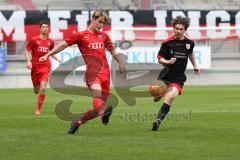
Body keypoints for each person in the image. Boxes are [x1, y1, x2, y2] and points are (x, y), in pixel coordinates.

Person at [39, 11, 126, 134]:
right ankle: (103, 114)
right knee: (97, 96)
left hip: (105, 74)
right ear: (93, 19)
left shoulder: (104, 36)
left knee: (97, 108)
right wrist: (47, 54)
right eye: (100, 22)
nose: (101, 25)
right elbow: (63, 45)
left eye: (103, 23)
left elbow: (113, 51)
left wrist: (121, 63)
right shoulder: (80, 35)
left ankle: (78, 121)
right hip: (92, 73)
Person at [151, 16, 200, 131]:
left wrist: (195, 66)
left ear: (185, 30)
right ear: (173, 28)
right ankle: (159, 94)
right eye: (176, 28)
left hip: (178, 78)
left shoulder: (189, 43)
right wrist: (167, 61)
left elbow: (190, 53)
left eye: (181, 29)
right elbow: (159, 59)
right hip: (165, 76)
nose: (178, 31)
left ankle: (158, 121)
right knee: (156, 93)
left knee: (169, 97)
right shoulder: (167, 43)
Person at [25, 20, 61, 115]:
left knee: (43, 87)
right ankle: (36, 90)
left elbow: (51, 52)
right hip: (35, 68)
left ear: (48, 29)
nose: (45, 28)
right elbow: (27, 50)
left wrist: (58, 59)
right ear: (40, 29)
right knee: (37, 90)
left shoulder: (50, 41)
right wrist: (28, 61)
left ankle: (38, 109)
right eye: (43, 27)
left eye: (46, 27)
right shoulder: (34, 40)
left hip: (45, 67)